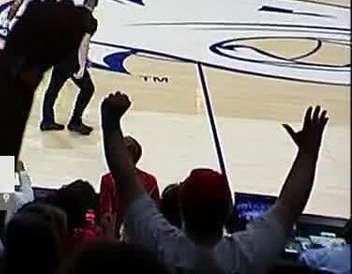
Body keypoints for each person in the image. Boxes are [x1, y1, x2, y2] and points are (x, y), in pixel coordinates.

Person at [101, 92, 328, 274]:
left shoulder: (161, 245)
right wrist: (308, 153)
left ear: (181, 209)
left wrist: (111, 125)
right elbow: (289, 206)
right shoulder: (247, 254)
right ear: (228, 210)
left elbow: (125, 179)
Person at [40, 0, 98, 135]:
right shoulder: (90, 21)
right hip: (72, 62)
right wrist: (82, 66)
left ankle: (47, 121)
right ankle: (75, 122)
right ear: (95, 5)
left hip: (60, 57)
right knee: (88, 89)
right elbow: (83, 45)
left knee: (52, 90)